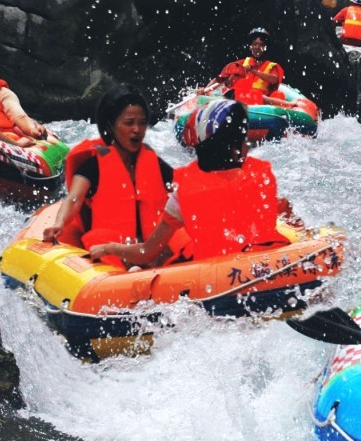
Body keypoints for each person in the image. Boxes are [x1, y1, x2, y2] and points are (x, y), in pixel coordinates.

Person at [90, 99, 302, 267]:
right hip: (270, 268)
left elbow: (147, 252)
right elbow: (285, 208)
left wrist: (109, 248)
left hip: (214, 281)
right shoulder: (258, 178)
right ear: (237, 148)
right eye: (244, 139)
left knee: (159, 260)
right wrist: (307, 238)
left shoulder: (185, 193)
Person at [41, 86, 177, 264]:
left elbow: (183, 191)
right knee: (100, 238)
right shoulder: (93, 165)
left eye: (142, 122)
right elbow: (73, 199)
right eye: (129, 123)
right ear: (111, 126)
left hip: (150, 249)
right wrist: (59, 223)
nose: (137, 129)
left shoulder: (154, 163)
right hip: (110, 252)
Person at [209, 28, 286, 106]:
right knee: (240, 85)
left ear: (266, 48)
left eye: (261, 44)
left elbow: (274, 79)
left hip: (260, 105)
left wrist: (253, 71)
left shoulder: (271, 66)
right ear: (251, 47)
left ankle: (289, 104)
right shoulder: (241, 63)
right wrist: (206, 89)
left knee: (279, 95)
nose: (257, 47)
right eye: (254, 44)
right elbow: (220, 78)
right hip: (240, 100)